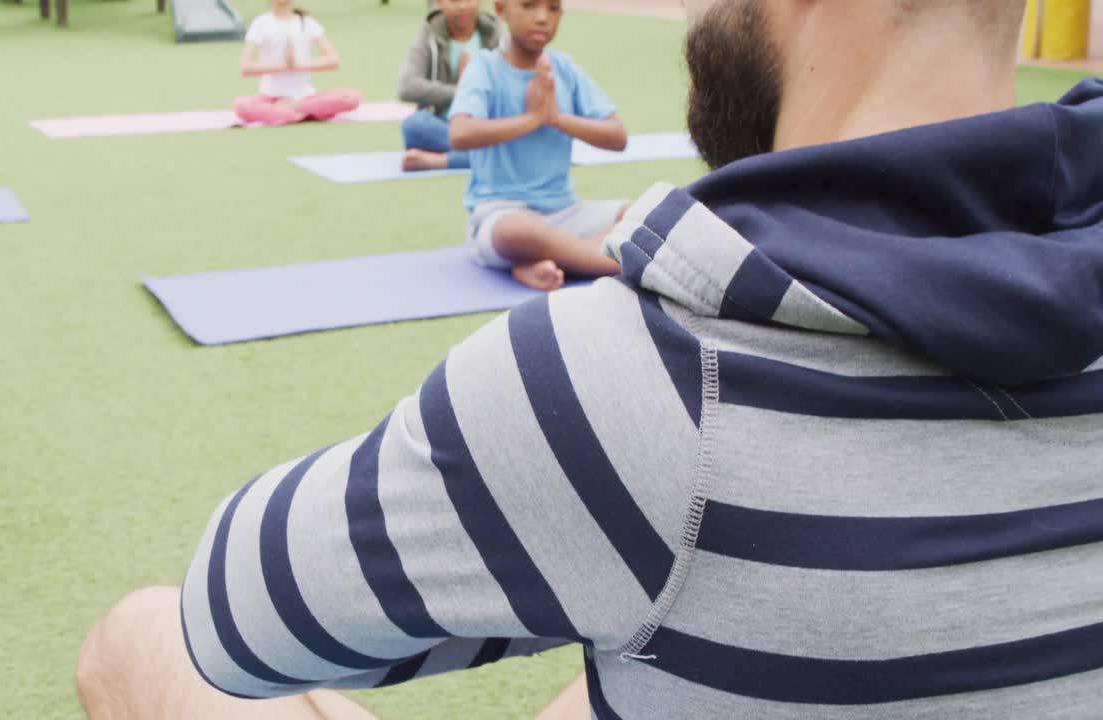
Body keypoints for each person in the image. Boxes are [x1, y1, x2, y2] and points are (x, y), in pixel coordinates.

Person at [78, 1, 1103, 718]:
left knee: (142, 631)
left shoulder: (635, 382)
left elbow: (235, 619)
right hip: (560, 259)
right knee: (642, 621)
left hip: (611, 427)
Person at [449, 0, 630, 292]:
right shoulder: (484, 67)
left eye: (554, 8)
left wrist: (556, 118)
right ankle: (606, 261)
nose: (543, 18)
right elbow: (460, 133)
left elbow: (617, 136)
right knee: (518, 232)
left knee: (644, 211)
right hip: (501, 215)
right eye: (529, 5)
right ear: (501, 9)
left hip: (568, 213)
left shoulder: (564, 69)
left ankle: (537, 262)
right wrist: (532, 119)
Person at [397, 0, 503, 172]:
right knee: (414, 126)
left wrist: (474, 89)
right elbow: (406, 86)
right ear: (439, 3)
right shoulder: (429, 32)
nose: (462, 6)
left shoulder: (493, 32)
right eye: (454, 1)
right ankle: (487, 154)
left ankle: (440, 161)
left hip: (487, 125)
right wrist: (460, 90)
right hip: (443, 126)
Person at [234, 0, 360, 126]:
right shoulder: (261, 23)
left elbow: (333, 60)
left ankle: (289, 112)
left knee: (350, 98)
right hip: (271, 99)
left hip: (305, 98)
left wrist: (298, 65)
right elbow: (246, 67)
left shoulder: (307, 22)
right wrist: (282, 66)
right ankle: (303, 114)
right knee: (242, 106)